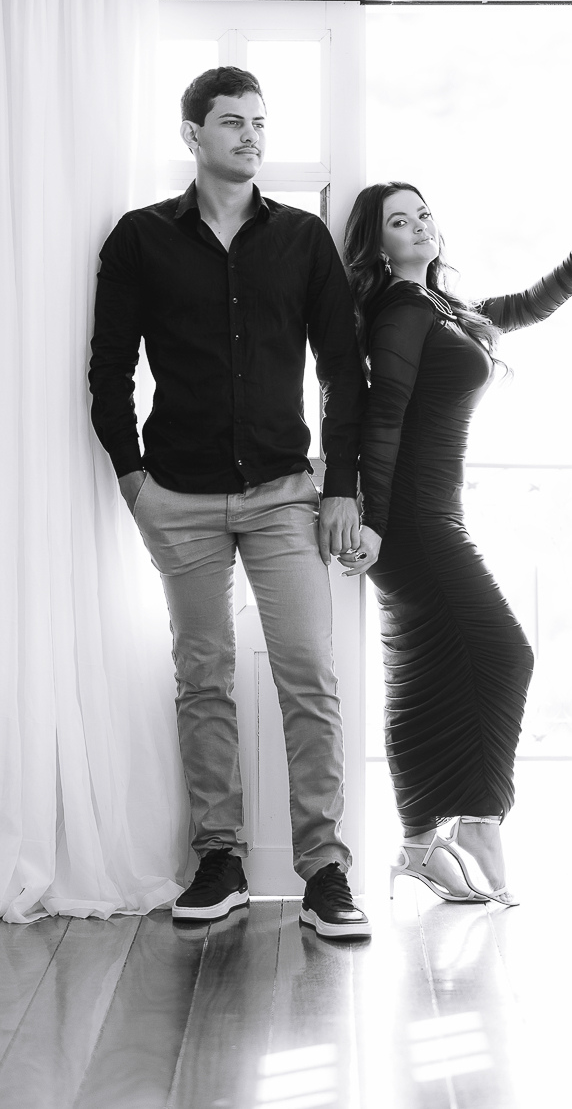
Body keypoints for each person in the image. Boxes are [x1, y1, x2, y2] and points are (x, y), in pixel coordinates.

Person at [89, 66, 371, 938]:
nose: (251, 136)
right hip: (176, 494)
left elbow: (342, 368)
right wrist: (132, 478)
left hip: (285, 494)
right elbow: (109, 368)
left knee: (309, 676)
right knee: (202, 678)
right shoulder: (140, 238)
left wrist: (342, 487)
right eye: (231, 121)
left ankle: (325, 873)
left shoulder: (302, 240)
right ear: (192, 135)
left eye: (259, 122)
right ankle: (220, 859)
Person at [340, 177, 572, 905]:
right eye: (400, 221)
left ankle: (418, 846)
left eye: (423, 214)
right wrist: (374, 523)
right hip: (412, 522)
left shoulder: (439, 306)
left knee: (425, 674)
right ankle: (479, 821)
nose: (419, 226)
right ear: (378, 243)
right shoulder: (401, 313)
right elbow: (383, 419)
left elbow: (521, 308)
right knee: (505, 653)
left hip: (432, 515)